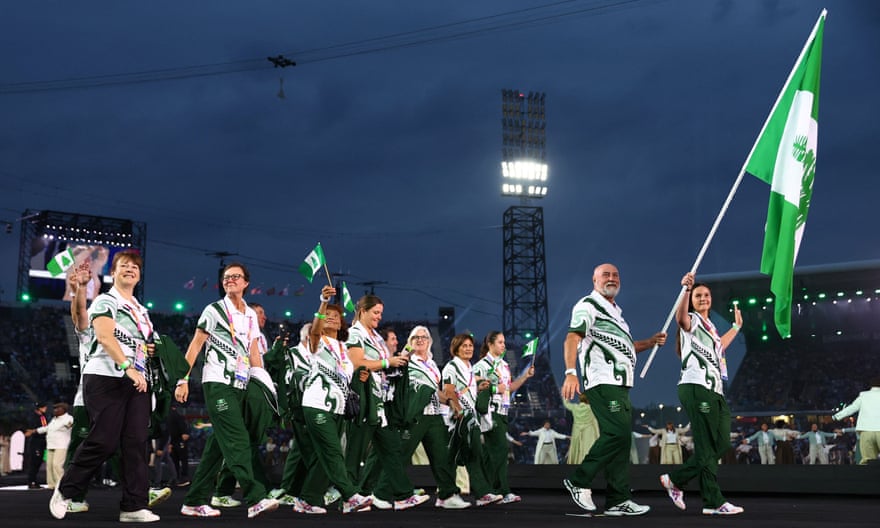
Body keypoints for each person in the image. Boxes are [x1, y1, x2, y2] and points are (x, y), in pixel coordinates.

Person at [49, 250, 159, 522]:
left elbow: (147, 345)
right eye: (124, 266)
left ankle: (133, 506)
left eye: (135, 266)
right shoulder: (105, 301)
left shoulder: (142, 311)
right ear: (113, 272)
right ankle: (66, 490)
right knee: (105, 440)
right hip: (107, 376)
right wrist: (128, 367)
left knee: (135, 444)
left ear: (140, 274)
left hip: (138, 380)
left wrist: (149, 353)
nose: (130, 269)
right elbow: (99, 332)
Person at [174, 262, 279, 519]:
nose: (230, 280)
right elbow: (196, 345)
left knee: (217, 447)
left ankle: (194, 500)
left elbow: (254, 352)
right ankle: (255, 497)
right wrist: (182, 379)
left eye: (236, 276)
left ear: (246, 283)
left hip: (242, 383)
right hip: (218, 382)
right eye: (226, 277)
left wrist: (262, 382)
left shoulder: (251, 315)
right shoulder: (214, 310)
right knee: (237, 437)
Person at [561, 263, 666, 516]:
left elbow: (626, 346)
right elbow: (572, 337)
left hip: (620, 384)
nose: (612, 278)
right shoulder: (587, 305)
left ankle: (618, 499)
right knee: (617, 434)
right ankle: (579, 480)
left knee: (621, 440)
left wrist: (650, 343)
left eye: (616, 275)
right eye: (606, 275)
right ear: (594, 279)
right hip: (602, 380)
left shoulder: (616, 313)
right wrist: (570, 372)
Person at [658, 273, 743, 516]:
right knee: (706, 448)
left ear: (711, 299)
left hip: (715, 390)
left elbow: (720, 347)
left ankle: (676, 480)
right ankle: (714, 502)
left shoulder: (712, 327)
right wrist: (685, 290)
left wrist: (736, 327)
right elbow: (680, 318)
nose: (703, 298)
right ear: (693, 300)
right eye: (698, 295)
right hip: (696, 387)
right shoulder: (692, 320)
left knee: (721, 443)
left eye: (706, 295)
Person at [345, 294, 427, 511]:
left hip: (378, 401)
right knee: (355, 452)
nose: (379, 317)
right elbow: (357, 363)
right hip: (362, 398)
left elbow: (382, 366)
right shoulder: (354, 333)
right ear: (362, 311)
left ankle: (402, 496)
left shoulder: (376, 337)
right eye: (375, 312)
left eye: (381, 313)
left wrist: (396, 363)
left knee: (391, 448)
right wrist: (386, 361)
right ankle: (349, 498)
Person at [299, 286, 372, 514]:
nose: (331, 318)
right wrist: (323, 302)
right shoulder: (317, 342)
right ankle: (350, 495)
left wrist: (360, 376)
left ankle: (308, 499)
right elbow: (314, 331)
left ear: (341, 324)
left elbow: (347, 376)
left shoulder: (344, 348)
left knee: (325, 457)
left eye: (335, 316)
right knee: (332, 451)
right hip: (317, 404)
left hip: (339, 408)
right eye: (327, 315)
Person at [397, 326, 470, 509]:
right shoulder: (406, 362)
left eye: (424, 337)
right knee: (399, 455)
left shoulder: (432, 364)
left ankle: (447, 495)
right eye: (415, 337)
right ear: (410, 342)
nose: (420, 340)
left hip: (435, 415)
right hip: (415, 415)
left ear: (430, 342)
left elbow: (436, 392)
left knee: (442, 457)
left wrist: (453, 404)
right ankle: (382, 492)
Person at [442, 333, 502, 507]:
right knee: (468, 455)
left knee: (466, 455)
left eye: (470, 345)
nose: (468, 349)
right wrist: (459, 411)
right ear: (456, 348)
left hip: (470, 417)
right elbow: (450, 391)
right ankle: (467, 494)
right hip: (460, 418)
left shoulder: (468, 367)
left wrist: (478, 386)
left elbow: (466, 389)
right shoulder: (451, 367)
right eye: (464, 346)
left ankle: (449, 493)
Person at [473, 331, 534, 503]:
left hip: (503, 411)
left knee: (492, 453)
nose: (504, 345)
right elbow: (474, 386)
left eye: (504, 342)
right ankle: (503, 490)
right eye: (500, 342)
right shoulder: (482, 365)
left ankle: (490, 491)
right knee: (500, 451)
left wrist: (525, 376)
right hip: (490, 413)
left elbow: (508, 388)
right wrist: (493, 389)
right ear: (490, 344)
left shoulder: (504, 365)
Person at [833, 377, 880, 465]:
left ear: (870, 386)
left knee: (867, 461)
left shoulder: (863, 396)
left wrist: (836, 416)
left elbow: (852, 408)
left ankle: (869, 478)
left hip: (866, 431)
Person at [37, 403, 74, 489]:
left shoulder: (68, 418)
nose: (55, 410)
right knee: (49, 465)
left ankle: (61, 484)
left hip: (61, 445)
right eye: (54, 408)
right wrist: (35, 431)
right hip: (50, 445)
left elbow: (72, 425)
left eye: (57, 408)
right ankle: (51, 484)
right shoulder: (54, 419)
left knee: (57, 465)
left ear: (63, 409)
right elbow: (47, 428)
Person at [563, 392, 599, 465]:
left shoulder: (575, 407)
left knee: (577, 448)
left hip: (577, 430)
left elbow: (566, 404)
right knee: (587, 447)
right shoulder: (591, 408)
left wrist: (566, 394)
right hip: (589, 430)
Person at [24, 402, 48, 489]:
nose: (46, 409)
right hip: (36, 443)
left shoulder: (43, 417)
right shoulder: (34, 417)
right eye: (44, 407)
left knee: (38, 462)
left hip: (41, 442)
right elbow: (30, 430)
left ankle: (34, 480)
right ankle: (32, 481)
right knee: (34, 462)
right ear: (40, 408)